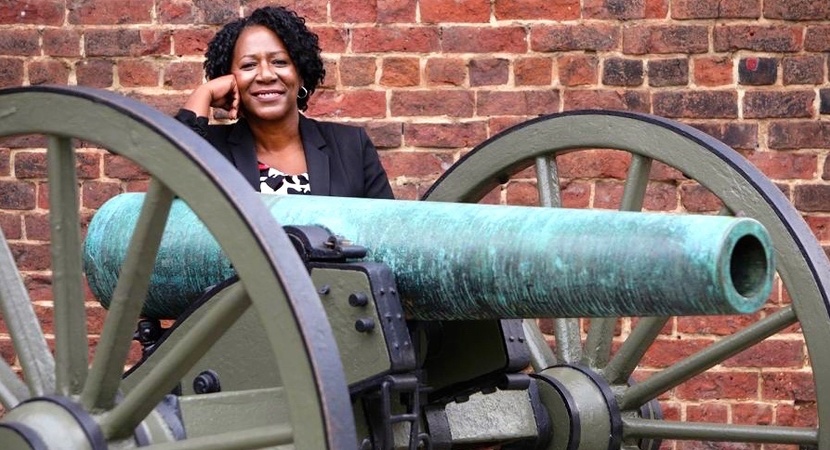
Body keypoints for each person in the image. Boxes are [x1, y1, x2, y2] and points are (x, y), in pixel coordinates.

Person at [175, 6, 394, 199]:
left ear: (300, 75)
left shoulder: (351, 146)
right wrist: (203, 93)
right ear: (229, 78)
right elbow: (168, 194)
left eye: (280, 62)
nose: (266, 75)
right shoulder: (209, 149)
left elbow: (386, 231)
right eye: (249, 65)